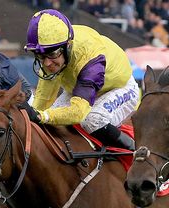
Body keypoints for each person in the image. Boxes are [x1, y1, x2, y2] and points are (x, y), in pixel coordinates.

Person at [23, 9, 139, 150]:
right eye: (40, 56)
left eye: (52, 54)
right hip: (82, 87)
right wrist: (29, 118)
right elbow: (43, 101)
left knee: (92, 120)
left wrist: (42, 116)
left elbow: (78, 112)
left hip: (120, 87)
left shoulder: (91, 59)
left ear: (68, 46)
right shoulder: (54, 50)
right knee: (49, 122)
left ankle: (135, 151)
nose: (47, 63)